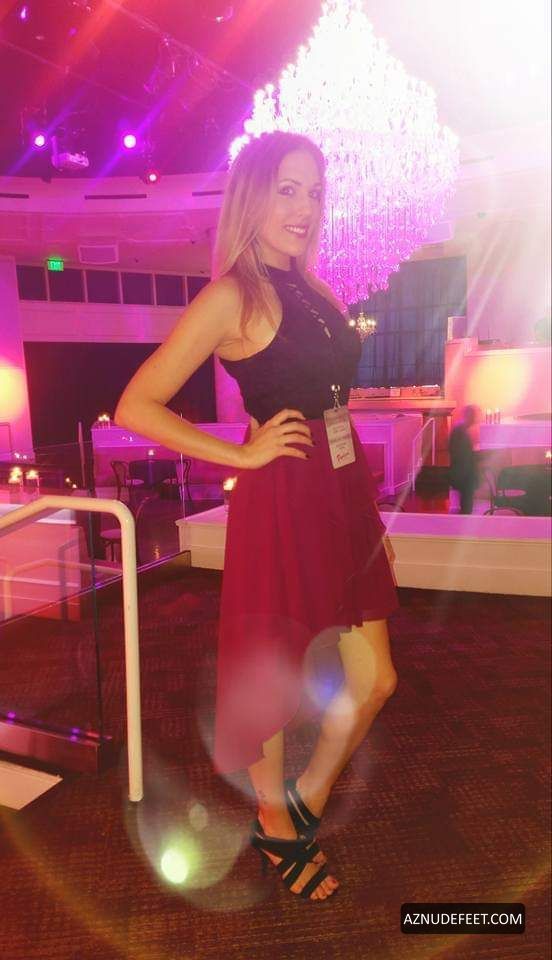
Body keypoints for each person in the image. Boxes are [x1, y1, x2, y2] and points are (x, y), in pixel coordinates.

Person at [115, 131, 399, 903]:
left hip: (339, 491)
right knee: (270, 672)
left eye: (314, 191)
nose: (305, 207)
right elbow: (137, 403)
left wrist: (358, 498)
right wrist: (238, 455)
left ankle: (305, 793)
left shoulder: (313, 287)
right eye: (287, 190)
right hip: (282, 497)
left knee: (376, 679)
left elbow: (330, 394)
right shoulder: (231, 296)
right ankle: (275, 819)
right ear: (253, 196)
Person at [448, 404, 481, 514]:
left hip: (464, 472)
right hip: (464, 473)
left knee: (466, 501)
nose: (476, 418)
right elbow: (459, 453)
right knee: (466, 502)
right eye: (474, 415)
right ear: (469, 415)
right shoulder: (460, 431)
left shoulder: (461, 429)